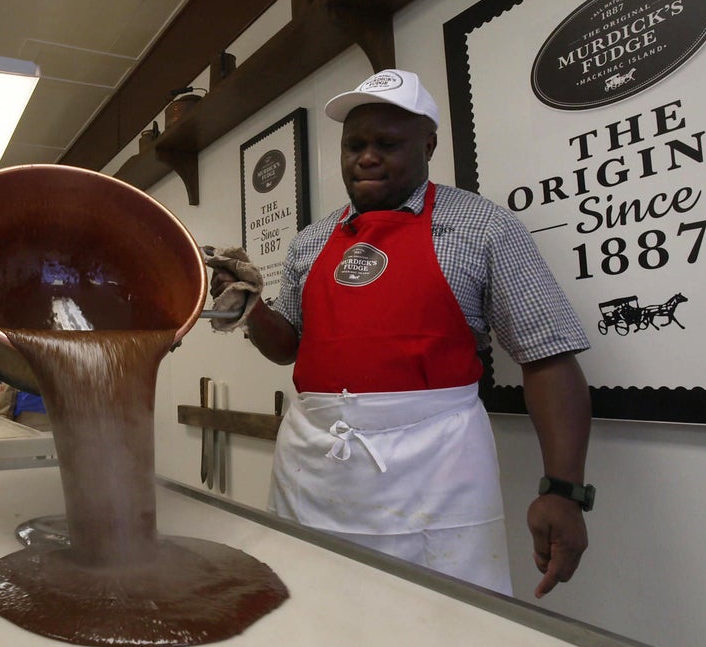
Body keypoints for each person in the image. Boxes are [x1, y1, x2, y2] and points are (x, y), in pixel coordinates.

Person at [208, 69, 592, 598]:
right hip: (315, 466)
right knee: (311, 603)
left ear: (428, 145)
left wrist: (564, 492)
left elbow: (548, 359)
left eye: (386, 144)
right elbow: (288, 348)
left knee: (445, 614)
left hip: (437, 470)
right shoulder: (310, 241)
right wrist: (250, 305)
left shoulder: (483, 227)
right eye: (354, 146)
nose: (366, 158)